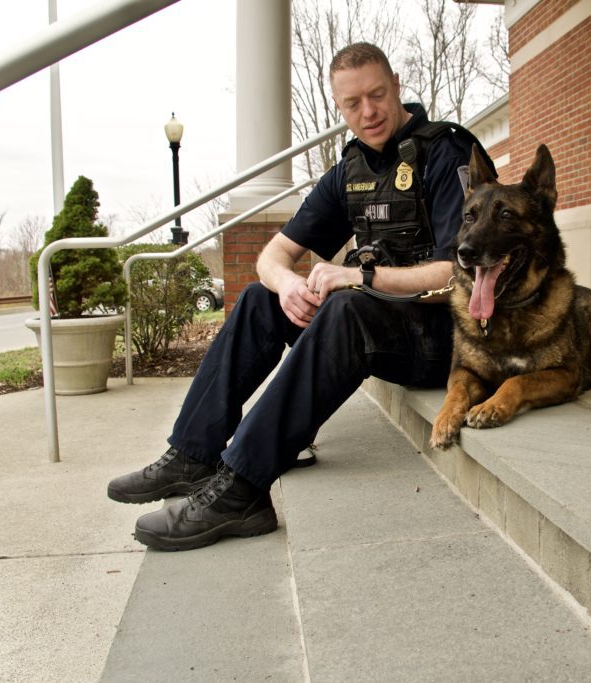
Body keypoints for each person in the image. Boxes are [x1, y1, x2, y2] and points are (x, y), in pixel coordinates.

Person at [107, 42, 493, 551]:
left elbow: (458, 270)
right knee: (259, 301)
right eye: (352, 104)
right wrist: (288, 285)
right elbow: (270, 256)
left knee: (347, 305)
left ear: (397, 86)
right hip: (382, 326)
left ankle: (242, 489)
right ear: (339, 107)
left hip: (449, 339)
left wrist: (359, 278)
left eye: (377, 95)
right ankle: (193, 454)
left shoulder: (446, 153)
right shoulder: (350, 170)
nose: (368, 112)